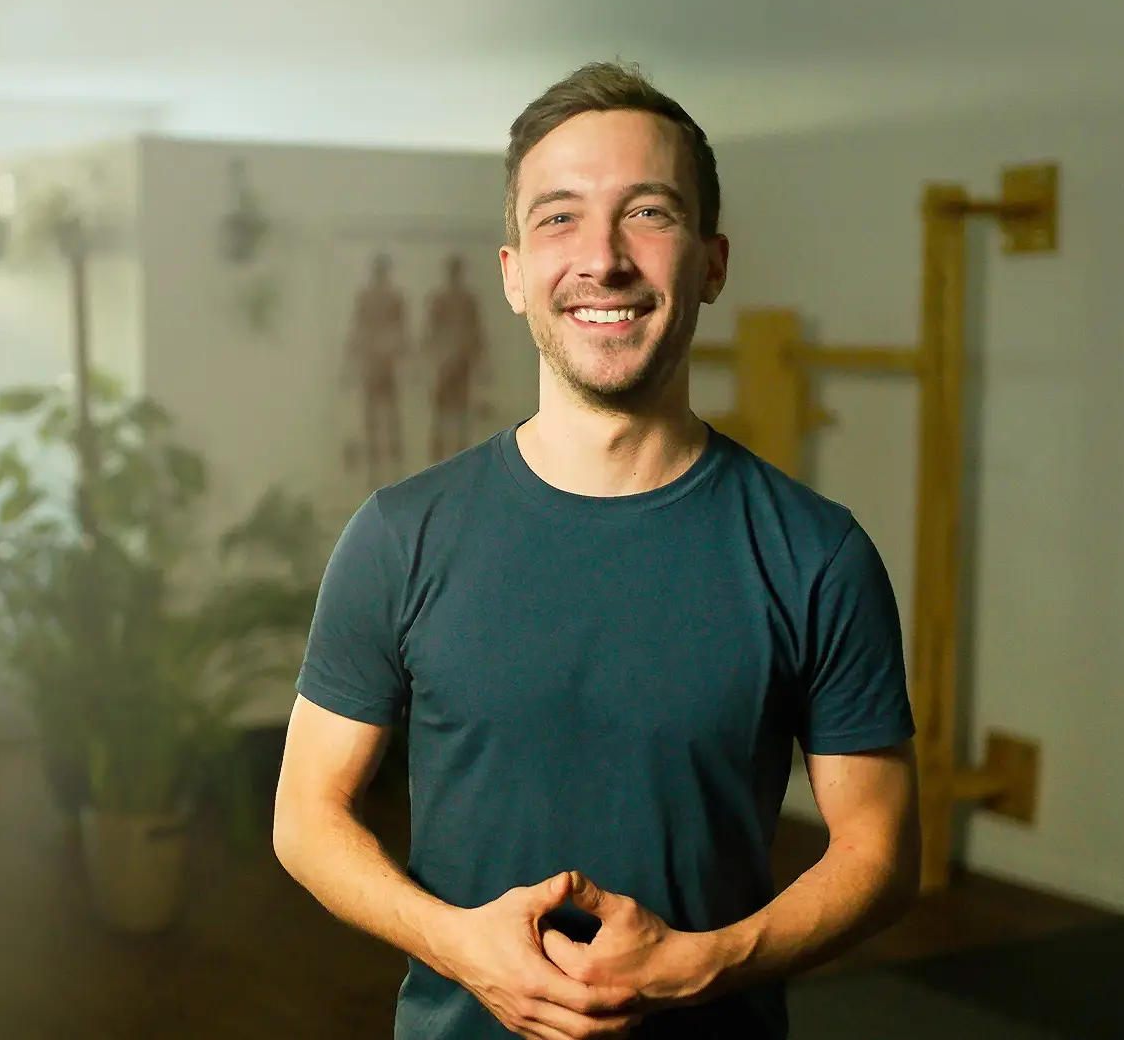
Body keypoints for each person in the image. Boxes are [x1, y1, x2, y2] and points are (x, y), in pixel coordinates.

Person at [273, 60, 921, 1040]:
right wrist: (457, 944)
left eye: (649, 213)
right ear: (513, 273)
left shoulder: (817, 555)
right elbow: (306, 815)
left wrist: (703, 964)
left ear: (711, 263)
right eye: (560, 217)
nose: (604, 258)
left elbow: (880, 851)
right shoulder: (400, 535)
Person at [343, 252, 411, 486]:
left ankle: (394, 467)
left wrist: (406, 358)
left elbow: (401, 331)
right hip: (373, 362)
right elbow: (358, 329)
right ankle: (376, 468)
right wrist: (351, 361)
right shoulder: (367, 299)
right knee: (374, 416)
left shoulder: (393, 299)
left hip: (385, 362)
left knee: (389, 415)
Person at [423, 253, 489, 462]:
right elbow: (431, 331)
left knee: (460, 408)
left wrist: (478, 359)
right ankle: (438, 452)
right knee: (443, 408)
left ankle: (458, 451)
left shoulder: (466, 300)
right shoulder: (441, 300)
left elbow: (476, 331)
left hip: (460, 358)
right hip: (447, 359)